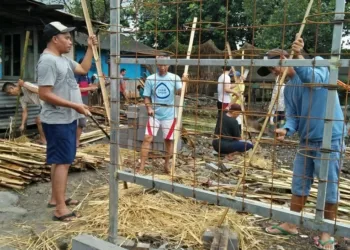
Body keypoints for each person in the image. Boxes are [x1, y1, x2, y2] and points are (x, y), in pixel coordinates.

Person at [257, 37, 345, 250]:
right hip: (306, 140)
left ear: (284, 59)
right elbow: (293, 116)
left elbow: (313, 80)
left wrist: (299, 57)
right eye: (270, 71)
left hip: (329, 137)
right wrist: (286, 129)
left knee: (328, 185)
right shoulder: (288, 89)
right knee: (299, 182)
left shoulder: (319, 62)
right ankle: (291, 224)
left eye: (274, 67)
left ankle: (327, 232)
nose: (274, 72)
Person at [37, 21, 97, 221]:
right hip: (58, 120)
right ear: (55, 39)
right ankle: (60, 210)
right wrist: (74, 106)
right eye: (67, 38)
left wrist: (90, 48)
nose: (70, 42)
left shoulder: (63, 59)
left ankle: (56, 199)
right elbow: (44, 94)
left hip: (67, 118)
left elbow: (83, 68)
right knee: (62, 162)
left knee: (60, 161)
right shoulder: (48, 61)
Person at [139, 56, 188, 174]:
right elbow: (146, 97)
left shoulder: (174, 78)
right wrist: (149, 107)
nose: (162, 67)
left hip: (169, 115)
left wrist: (185, 82)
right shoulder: (151, 79)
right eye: (160, 65)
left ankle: (166, 165)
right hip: (154, 114)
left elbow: (182, 93)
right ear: (157, 64)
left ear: (169, 65)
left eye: (165, 65)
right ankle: (141, 167)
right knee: (147, 138)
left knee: (168, 141)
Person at [2, 80, 46, 144]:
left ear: (12, 88)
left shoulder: (25, 85)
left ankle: (43, 140)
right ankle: (44, 139)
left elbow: (39, 91)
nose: (10, 95)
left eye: (9, 93)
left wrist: (24, 85)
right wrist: (22, 124)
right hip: (43, 105)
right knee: (40, 121)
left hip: (48, 102)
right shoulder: (21, 99)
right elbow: (25, 111)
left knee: (38, 120)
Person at [76, 59, 98, 147]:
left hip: (84, 99)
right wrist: (89, 89)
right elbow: (76, 89)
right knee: (75, 121)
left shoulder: (86, 76)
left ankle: (77, 140)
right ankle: (73, 141)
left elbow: (88, 85)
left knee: (82, 122)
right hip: (77, 100)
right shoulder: (76, 75)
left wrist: (95, 86)